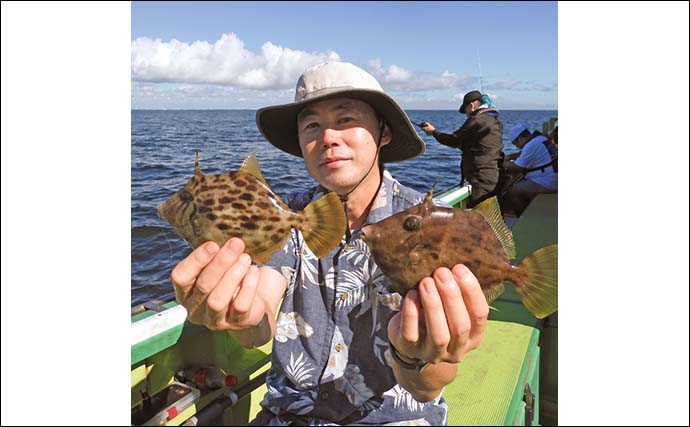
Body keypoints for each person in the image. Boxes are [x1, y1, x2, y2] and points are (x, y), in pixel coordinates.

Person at [170, 62, 489, 425]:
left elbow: (427, 388)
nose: (328, 138)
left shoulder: (432, 226)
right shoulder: (284, 214)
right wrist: (237, 315)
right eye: (311, 125)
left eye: (346, 119)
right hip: (288, 416)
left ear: (383, 133)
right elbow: (259, 317)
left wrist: (416, 355)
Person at [420, 90, 504, 208]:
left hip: (481, 177)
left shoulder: (476, 120)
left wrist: (433, 132)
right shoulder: (495, 121)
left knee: (478, 214)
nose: (466, 114)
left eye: (466, 110)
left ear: (472, 105)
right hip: (493, 173)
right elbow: (483, 145)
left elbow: (453, 140)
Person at [499, 123, 558, 216]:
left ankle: (523, 218)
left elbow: (517, 166)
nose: (517, 146)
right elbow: (524, 153)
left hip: (549, 181)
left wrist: (500, 163)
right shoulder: (540, 139)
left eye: (516, 144)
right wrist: (511, 156)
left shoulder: (531, 145)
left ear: (520, 138)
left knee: (513, 191)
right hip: (553, 176)